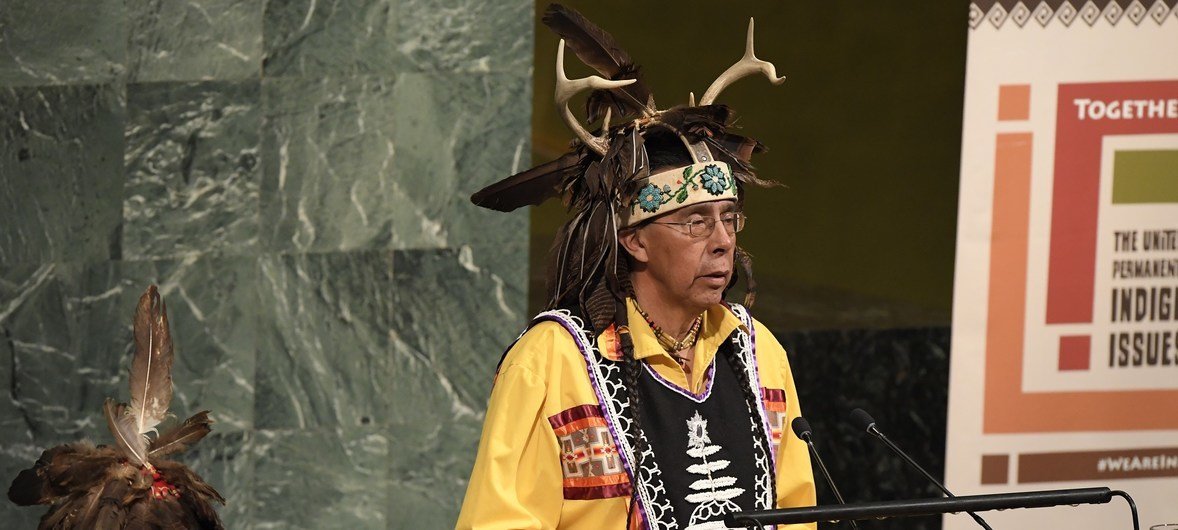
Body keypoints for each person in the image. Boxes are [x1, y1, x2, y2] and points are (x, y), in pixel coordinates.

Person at [456, 5, 815, 529]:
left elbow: (798, 515)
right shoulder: (552, 362)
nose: (722, 243)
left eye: (730, 219)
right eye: (695, 221)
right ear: (635, 240)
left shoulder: (759, 352)